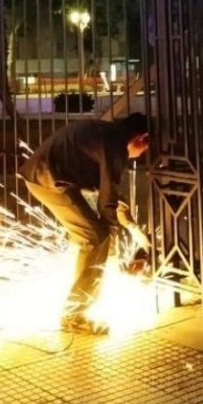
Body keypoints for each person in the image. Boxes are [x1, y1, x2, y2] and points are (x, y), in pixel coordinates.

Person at [19, 113, 152, 335]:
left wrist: (132, 229)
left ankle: (79, 300)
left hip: (49, 176)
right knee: (95, 237)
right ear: (141, 137)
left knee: (95, 236)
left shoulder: (111, 136)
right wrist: (114, 251)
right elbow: (107, 202)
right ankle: (74, 315)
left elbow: (113, 196)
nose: (143, 153)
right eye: (146, 148)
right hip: (47, 179)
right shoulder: (115, 146)